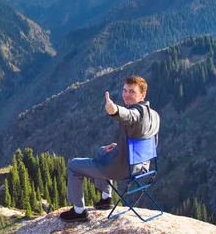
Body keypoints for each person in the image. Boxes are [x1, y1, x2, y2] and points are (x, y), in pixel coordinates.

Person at [60, 76, 160, 222]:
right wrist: (120, 146)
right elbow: (147, 142)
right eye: (125, 90)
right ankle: (106, 198)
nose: (126, 95)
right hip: (143, 166)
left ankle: (78, 211)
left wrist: (115, 110)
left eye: (132, 91)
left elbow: (129, 116)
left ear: (142, 95)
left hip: (124, 168)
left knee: (74, 165)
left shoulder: (136, 113)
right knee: (102, 150)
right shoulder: (155, 115)